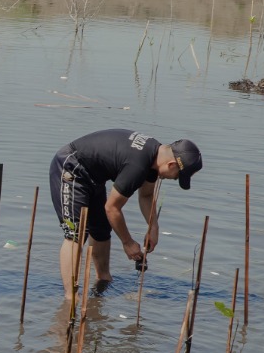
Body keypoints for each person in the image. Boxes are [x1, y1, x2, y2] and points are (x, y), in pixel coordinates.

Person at [49, 129, 203, 301]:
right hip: (72, 167)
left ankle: (103, 279)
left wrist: (153, 226)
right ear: (171, 165)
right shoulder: (138, 166)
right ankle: (71, 298)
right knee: (76, 233)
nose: (173, 179)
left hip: (94, 176)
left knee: (101, 229)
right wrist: (128, 242)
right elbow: (112, 208)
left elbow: (145, 195)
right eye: (176, 177)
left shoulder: (153, 159)